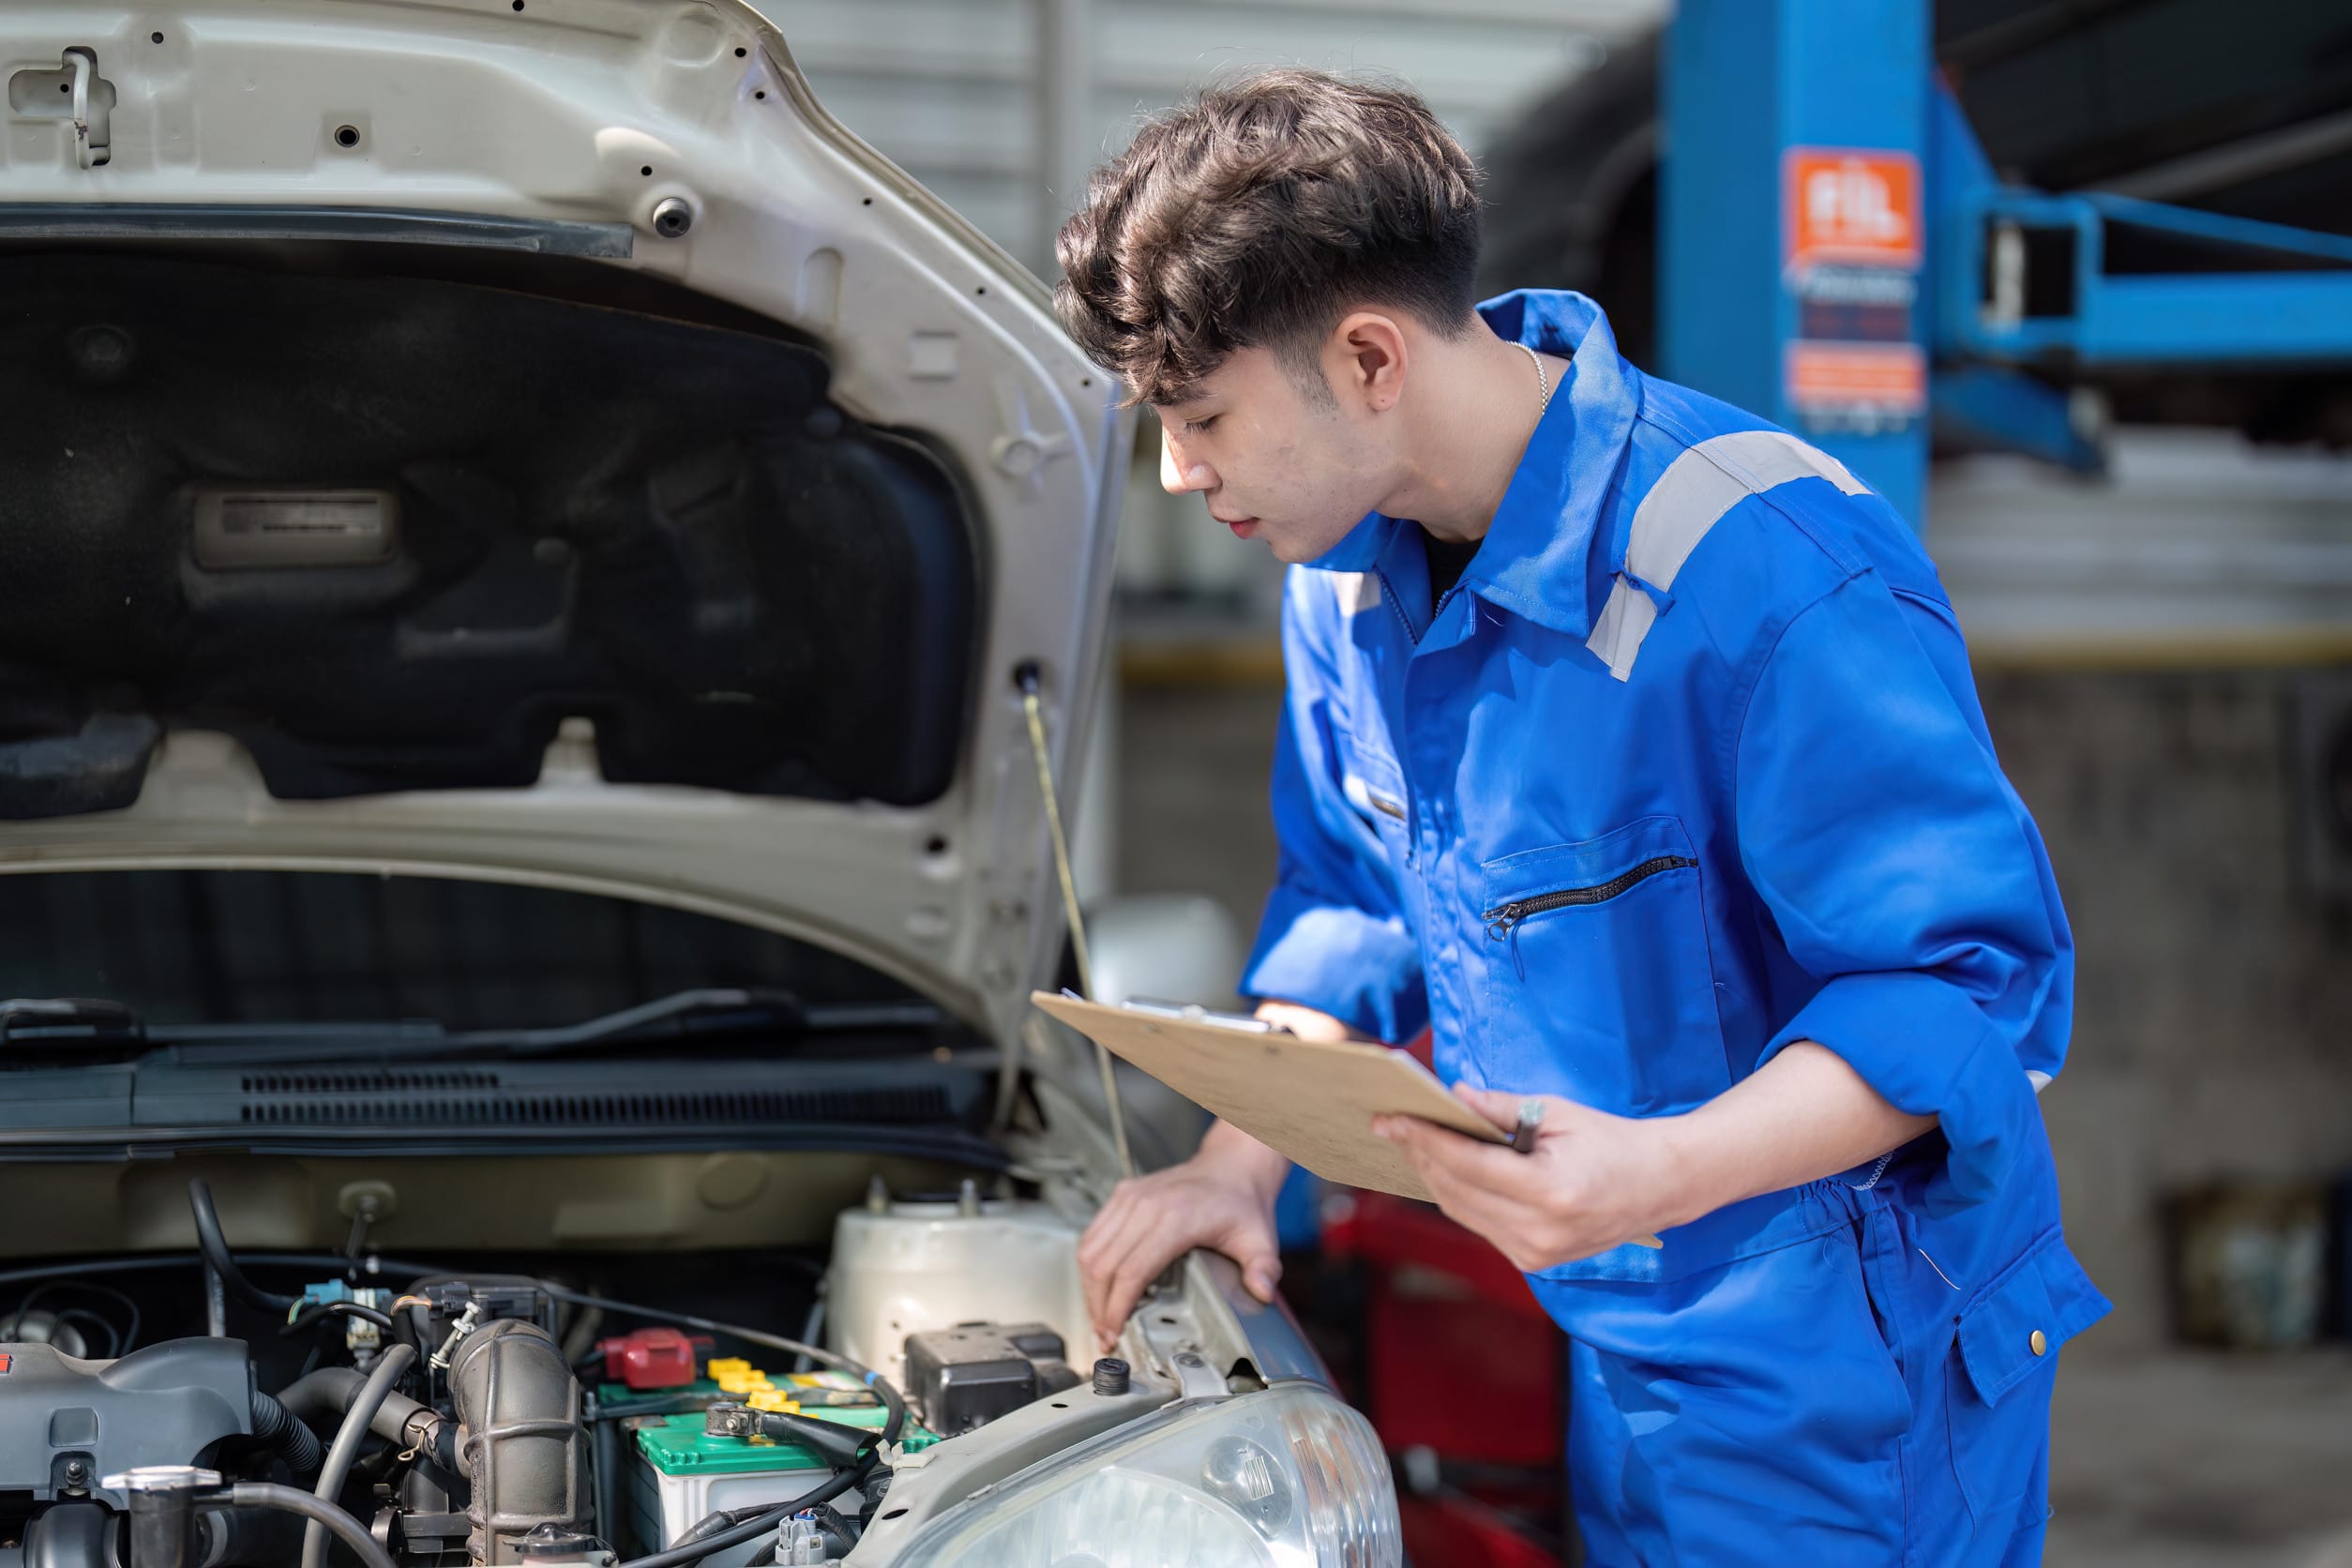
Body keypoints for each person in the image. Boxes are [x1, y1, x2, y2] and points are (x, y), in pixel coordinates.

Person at [1050, 68, 2108, 1565]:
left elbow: (1960, 992)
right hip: (1613, 1333)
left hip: (1852, 1377)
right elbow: (1358, 904)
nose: (1176, 470)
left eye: (1201, 414)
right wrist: (1236, 1164)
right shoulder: (1344, 587)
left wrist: (1655, 1175)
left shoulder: (1768, 572)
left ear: (1368, 358)